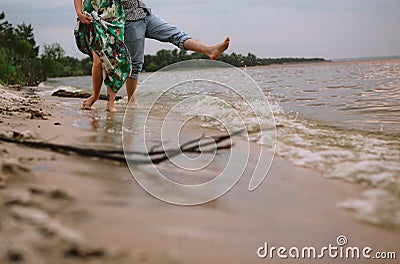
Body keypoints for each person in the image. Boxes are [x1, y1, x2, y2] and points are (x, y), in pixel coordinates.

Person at [122, 0, 230, 107]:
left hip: (144, 13)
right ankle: (131, 102)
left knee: (177, 35)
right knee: (135, 63)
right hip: (130, 19)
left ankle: (209, 50)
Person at [73, 0, 131, 112]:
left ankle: (111, 102)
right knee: (98, 61)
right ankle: (95, 96)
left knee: (115, 61)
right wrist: (79, 13)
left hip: (115, 18)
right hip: (93, 15)